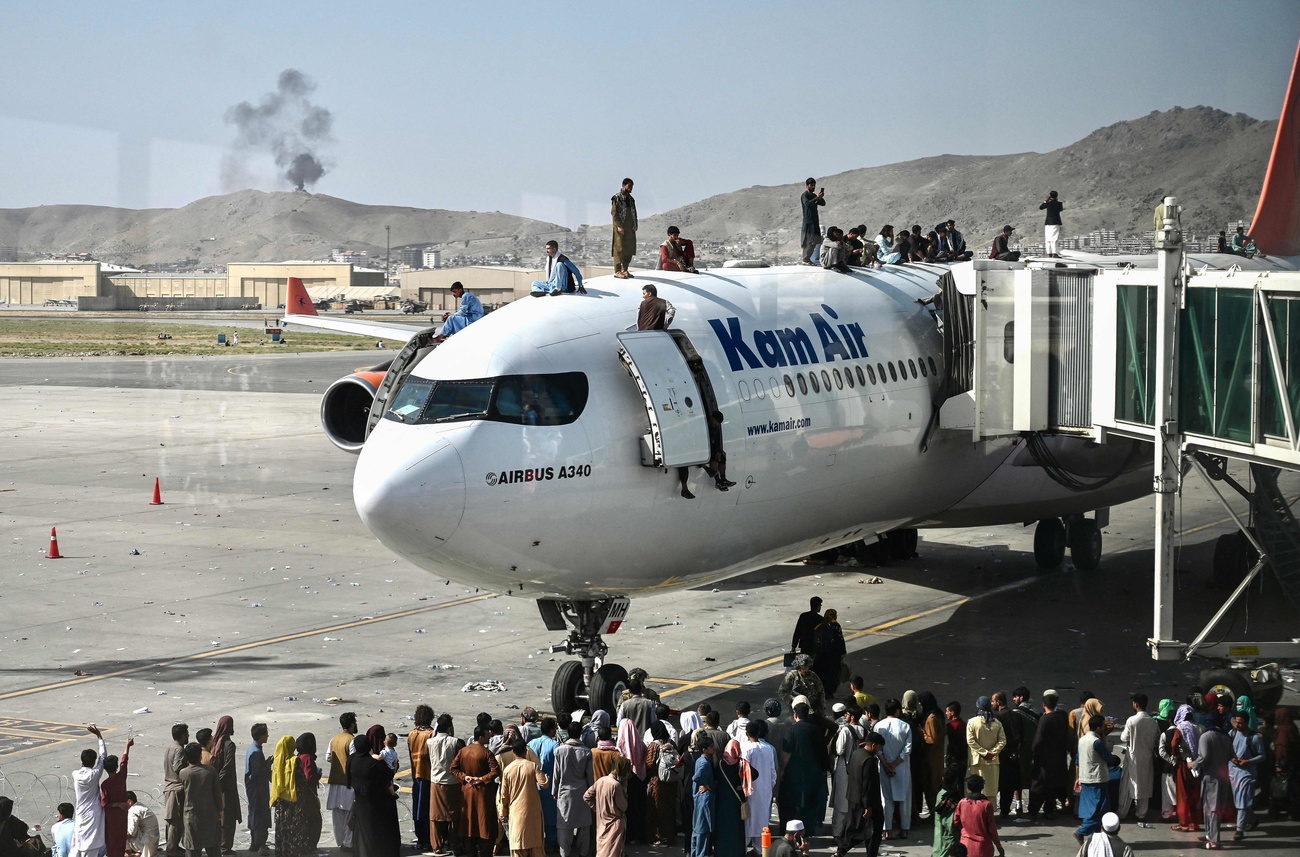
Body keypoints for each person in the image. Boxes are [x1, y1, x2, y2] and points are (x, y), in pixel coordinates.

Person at [349, 726, 400, 857]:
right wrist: (394, 767)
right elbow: (388, 775)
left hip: (360, 801)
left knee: (362, 830)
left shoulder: (353, 759)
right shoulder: (373, 763)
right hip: (375, 802)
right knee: (375, 829)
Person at [452, 726, 502, 857]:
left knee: (468, 824)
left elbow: (453, 768)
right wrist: (482, 779)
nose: (489, 737)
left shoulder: (463, 751)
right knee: (484, 823)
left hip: (467, 792)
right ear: (481, 737)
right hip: (483, 793)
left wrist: (465, 777)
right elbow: (496, 771)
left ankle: (471, 852)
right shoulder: (486, 753)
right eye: (486, 735)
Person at [499, 739, 549, 857]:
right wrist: (546, 778)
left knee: (518, 845)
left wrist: (503, 813)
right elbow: (544, 784)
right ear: (526, 752)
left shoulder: (508, 769)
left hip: (516, 812)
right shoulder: (532, 766)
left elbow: (504, 795)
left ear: (513, 752)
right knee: (535, 843)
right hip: (533, 811)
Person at [551, 721, 594, 857]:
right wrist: (591, 793)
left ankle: (564, 853)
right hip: (582, 791)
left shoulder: (560, 750)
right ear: (580, 733)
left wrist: (554, 791)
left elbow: (556, 773)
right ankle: (583, 852)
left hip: (564, 792)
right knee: (584, 824)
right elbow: (590, 776)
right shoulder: (587, 752)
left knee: (564, 825)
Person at [1076, 714, 1120, 842]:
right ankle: (1082, 831)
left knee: (1090, 809)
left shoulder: (1082, 740)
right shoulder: (1097, 742)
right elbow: (1108, 758)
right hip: (1097, 779)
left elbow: (1078, 760)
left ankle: (1095, 836)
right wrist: (1115, 759)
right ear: (1099, 728)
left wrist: (1077, 777)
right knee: (1100, 809)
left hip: (1085, 778)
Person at [1028, 691, 1071, 820]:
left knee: (1038, 785)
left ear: (1044, 705)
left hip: (1044, 759)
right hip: (1059, 757)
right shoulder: (1062, 717)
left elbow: (1038, 741)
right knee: (1053, 785)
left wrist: (1034, 756)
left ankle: (1033, 810)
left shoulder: (1045, 719)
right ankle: (1049, 809)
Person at [1192, 717, 1232, 850]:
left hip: (1211, 779)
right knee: (1211, 808)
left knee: (1212, 809)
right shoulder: (1226, 737)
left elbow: (1203, 757)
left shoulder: (1206, 737)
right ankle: (1210, 834)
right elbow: (1232, 755)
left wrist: (1192, 765)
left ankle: (1214, 841)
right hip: (1223, 778)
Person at [1119, 693, 1159, 824]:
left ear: (1135, 704)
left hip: (1133, 757)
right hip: (1147, 758)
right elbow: (1157, 739)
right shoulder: (1153, 721)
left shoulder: (1132, 720)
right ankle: (1141, 813)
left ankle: (1122, 812)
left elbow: (1124, 738)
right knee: (1145, 785)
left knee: (1127, 785)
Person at [429, 714, 465, 857]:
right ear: (450, 727)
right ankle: (456, 846)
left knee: (435, 817)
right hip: (452, 782)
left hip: (436, 782)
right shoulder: (455, 742)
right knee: (454, 816)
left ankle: (437, 846)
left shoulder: (429, 742)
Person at [877, 700, 914, 839]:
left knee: (886, 799)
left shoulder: (878, 726)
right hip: (902, 767)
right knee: (904, 798)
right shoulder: (905, 726)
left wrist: (887, 765)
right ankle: (904, 829)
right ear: (898, 710)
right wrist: (895, 764)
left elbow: (878, 749)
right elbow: (907, 749)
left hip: (884, 767)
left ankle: (887, 830)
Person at [740, 720, 776, 854]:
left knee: (748, 820)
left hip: (750, 791)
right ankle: (760, 849)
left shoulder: (746, 749)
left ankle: (744, 848)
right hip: (765, 790)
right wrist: (769, 786)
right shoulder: (768, 748)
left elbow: (743, 771)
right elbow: (773, 772)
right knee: (762, 820)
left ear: (746, 733)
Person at [180, 741, 222, 857]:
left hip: (191, 817)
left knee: (193, 849)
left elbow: (181, 796)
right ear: (200, 755)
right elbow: (217, 794)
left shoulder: (184, 773)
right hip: (209, 816)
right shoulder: (210, 771)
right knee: (213, 849)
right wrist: (220, 811)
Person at [325, 712, 358, 852]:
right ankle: (348, 843)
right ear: (351, 724)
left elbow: (328, 757)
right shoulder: (352, 740)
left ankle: (341, 841)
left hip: (335, 782)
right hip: (348, 783)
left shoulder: (334, 739)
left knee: (338, 815)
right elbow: (355, 759)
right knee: (350, 814)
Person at [73, 725, 108, 857]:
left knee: (78, 844)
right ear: (93, 762)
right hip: (93, 814)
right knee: (91, 846)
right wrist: (99, 736)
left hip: (81, 813)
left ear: (82, 761)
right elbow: (103, 757)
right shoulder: (94, 774)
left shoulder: (75, 774)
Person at [966, 698, 1005, 812]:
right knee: (990, 790)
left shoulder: (972, 722)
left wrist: (983, 753)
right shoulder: (997, 723)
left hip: (977, 761)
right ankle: (989, 815)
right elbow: (1003, 741)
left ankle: (975, 814)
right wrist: (992, 752)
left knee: (975, 790)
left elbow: (970, 741)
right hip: (992, 761)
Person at [527, 718, 561, 851]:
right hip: (550, 783)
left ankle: (536, 841)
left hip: (533, 784)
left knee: (535, 814)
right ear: (552, 730)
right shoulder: (555, 745)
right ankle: (550, 842)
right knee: (550, 815)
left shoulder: (531, 743)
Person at [1228, 711, 1263, 841]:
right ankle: (1252, 819)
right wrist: (1232, 759)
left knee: (1242, 801)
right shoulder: (1232, 734)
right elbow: (1228, 749)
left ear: (1246, 722)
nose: (1238, 725)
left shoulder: (1254, 737)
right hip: (1233, 772)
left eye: (1240, 723)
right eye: (1236, 722)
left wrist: (1248, 761)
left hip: (1247, 774)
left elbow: (1261, 755)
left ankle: (1239, 830)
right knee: (1239, 800)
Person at [271, 735, 304, 857]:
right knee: (293, 831)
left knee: (282, 830)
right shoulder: (295, 761)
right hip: (294, 802)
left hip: (280, 802)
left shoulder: (277, 761)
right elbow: (301, 781)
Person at [1008, 688, 1039, 819]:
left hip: (1022, 751)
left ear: (1021, 697)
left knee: (1018, 778)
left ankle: (1019, 805)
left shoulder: (1016, 713)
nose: (1014, 699)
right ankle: (1033, 806)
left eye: (1015, 697)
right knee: (1033, 778)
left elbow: (1015, 733)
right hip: (1035, 750)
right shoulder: (1036, 712)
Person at [407, 706, 435, 855]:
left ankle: (420, 839)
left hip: (416, 775)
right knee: (428, 809)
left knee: (418, 809)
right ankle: (428, 839)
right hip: (428, 775)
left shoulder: (412, 734)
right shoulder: (430, 734)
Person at [953, 775, 1003, 857]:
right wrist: (999, 848)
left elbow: (956, 822)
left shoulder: (962, 802)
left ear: (968, 788)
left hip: (965, 845)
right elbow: (992, 829)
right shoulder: (986, 805)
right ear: (982, 787)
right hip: (983, 847)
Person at [583, 766, 627, 857]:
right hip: (615, 823)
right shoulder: (616, 785)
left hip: (602, 821)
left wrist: (598, 808)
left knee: (602, 849)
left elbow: (586, 796)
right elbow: (623, 806)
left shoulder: (600, 780)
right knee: (613, 851)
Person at [990, 692, 1021, 819]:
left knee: (998, 782)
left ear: (998, 702)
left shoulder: (998, 717)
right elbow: (1019, 735)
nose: (992, 704)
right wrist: (1015, 752)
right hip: (1013, 756)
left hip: (1002, 755)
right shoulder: (1015, 715)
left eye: (993, 701)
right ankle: (1005, 809)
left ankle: (993, 809)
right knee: (1008, 786)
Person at [102, 738, 134, 857]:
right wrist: (127, 746)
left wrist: (116, 804)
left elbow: (105, 804)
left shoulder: (105, 784)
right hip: (122, 814)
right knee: (121, 840)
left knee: (111, 842)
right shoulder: (121, 777)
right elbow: (124, 762)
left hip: (111, 816)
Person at [244, 724, 272, 856]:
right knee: (259, 815)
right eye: (266, 734)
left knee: (254, 813)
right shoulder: (255, 752)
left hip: (254, 788)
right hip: (257, 789)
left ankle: (255, 842)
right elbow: (258, 772)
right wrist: (268, 766)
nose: (267, 736)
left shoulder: (253, 748)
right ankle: (261, 844)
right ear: (260, 736)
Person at [164, 724, 190, 857]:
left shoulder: (170, 747)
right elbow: (178, 768)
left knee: (172, 820)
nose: (188, 736)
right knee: (175, 821)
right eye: (186, 733)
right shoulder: (179, 749)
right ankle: (171, 850)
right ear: (182, 735)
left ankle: (173, 846)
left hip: (169, 788)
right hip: (176, 789)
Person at [295, 734, 323, 855]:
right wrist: (318, 775)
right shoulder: (308, 758)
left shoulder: (299, 756)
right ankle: (311, 845)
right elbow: (309, 777)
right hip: (309, 796)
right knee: (315, 820)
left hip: (301, 796)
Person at [689, 736, 715, 857]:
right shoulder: (704, 763)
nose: (713, 748)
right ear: (704, 749)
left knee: (698, 829)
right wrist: (707, 785)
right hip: (704, 799)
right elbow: (696, 777)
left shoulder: (701, 760)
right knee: (703, 830)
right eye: (711, 747)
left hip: (699, 798)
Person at [814, 609, 847, 698]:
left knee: (822, 673)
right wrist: (843, 652)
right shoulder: (835, 625)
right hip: (833, 655)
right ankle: (830, 691)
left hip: (822, 655)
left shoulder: (820, 626)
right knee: (832, 674)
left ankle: (822, 690)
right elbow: (840, 639)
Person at [611, 178, 638, 279]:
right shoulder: (616, 198)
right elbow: (614, 213)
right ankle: (617, 271)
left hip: (629, 227)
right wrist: (618, 225)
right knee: (619, 248)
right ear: (624, 185)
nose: (631, 188)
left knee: (629, 248)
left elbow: (634, 212)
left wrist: (635, 224)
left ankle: (625, 269)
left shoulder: (631, 199)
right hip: (620, 227)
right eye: (629, 186)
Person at [930, 773, 960, 857]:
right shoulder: (953, 796)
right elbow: (949, 823)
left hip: (940, 836)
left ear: (942, 779)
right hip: (949, 838)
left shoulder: (940, 794)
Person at [800, 179, 825, 265]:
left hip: (814, 221)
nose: (813, 187)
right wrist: (817, 198)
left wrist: (820, 198)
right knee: (809, 241)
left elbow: (823, 203)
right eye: (811, 185)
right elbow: (807, 204)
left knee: (815, 241)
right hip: (808, 222)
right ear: (807, 186)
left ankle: (807, 259)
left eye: (814, 185)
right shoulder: (805, 195)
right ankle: (805, 259)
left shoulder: (813, 195)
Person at [1040, 191, 1064, 257]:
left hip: (1048, 222)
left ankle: (1049, 253)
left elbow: (1041, 207)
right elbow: (1060, 209)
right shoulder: (1059, 204)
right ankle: (1054, 253)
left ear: (1050, 196)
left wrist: (1046, 201)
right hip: (1055, 222)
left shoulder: (1048, 203)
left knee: (1048, 238)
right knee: (1054, 238)